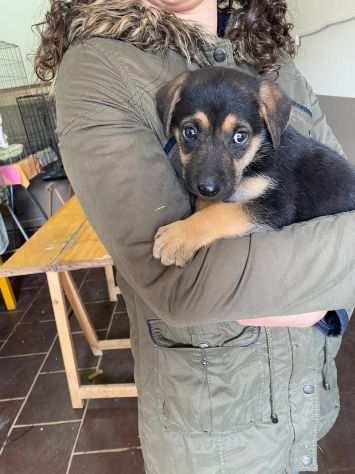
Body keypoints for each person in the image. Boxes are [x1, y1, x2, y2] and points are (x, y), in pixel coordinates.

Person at [35, 1, 355, 472]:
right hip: (217, 434)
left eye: (238, 138)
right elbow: (180, 281)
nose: (210, 171)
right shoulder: (100, 68)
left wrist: (333, 306)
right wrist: (329, 279)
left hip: (308, 404)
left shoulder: (272, 59)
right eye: (189, 134)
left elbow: (341, 194)